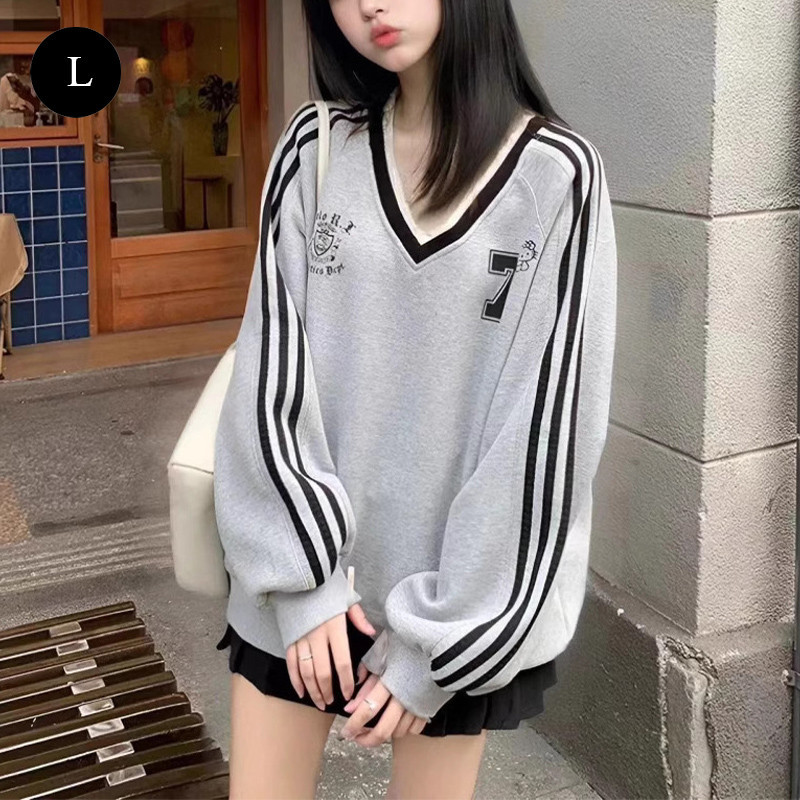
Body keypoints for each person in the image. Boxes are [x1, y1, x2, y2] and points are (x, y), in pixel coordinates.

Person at [213, 0, 618, 797]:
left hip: (449, 609)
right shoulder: (315, 150)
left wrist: (440, 646)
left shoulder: (556, 176)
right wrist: (303, 583)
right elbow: (268, 375)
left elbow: (546, 435)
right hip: (300, 593)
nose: (369, 4)